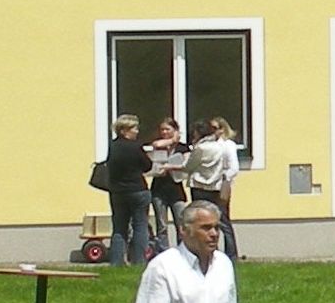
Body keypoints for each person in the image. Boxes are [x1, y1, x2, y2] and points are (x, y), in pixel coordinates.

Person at [133, 200, 235, 303]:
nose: (214, 234)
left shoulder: (223, 264)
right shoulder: (163, 267)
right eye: (206, 228)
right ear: (183, 230)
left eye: (217, 228)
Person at [182, 118, 241, 259]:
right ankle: (226, 253)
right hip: (217, 185)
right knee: (221, 221)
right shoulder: (221, 147)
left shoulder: (205, 147)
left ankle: (222, 253)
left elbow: (189, 166)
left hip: (203, 186)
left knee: (213, 220)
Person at [103, 114, 155, 267]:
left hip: (118, 191)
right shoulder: (135, 146)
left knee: (119, 227)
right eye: (134, 128)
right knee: (140, 225)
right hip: (137, 190)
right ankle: (139, 261)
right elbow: (147, 166)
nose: (137, 131)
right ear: (124, 130)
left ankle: (117, 262)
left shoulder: (113, 146)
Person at [145, 119, 190, 258]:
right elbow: (155, 144)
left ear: (175, 130)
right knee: (162, 224)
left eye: (168, 129)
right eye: (162, 130)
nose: (164, 132)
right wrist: (171, 141)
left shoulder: (183, 147)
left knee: (181, 222)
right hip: (159, 189)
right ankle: (163, 253)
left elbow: (187, 165)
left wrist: (170, 167)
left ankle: (183, 252)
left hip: (176, 190)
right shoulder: (160, 147)